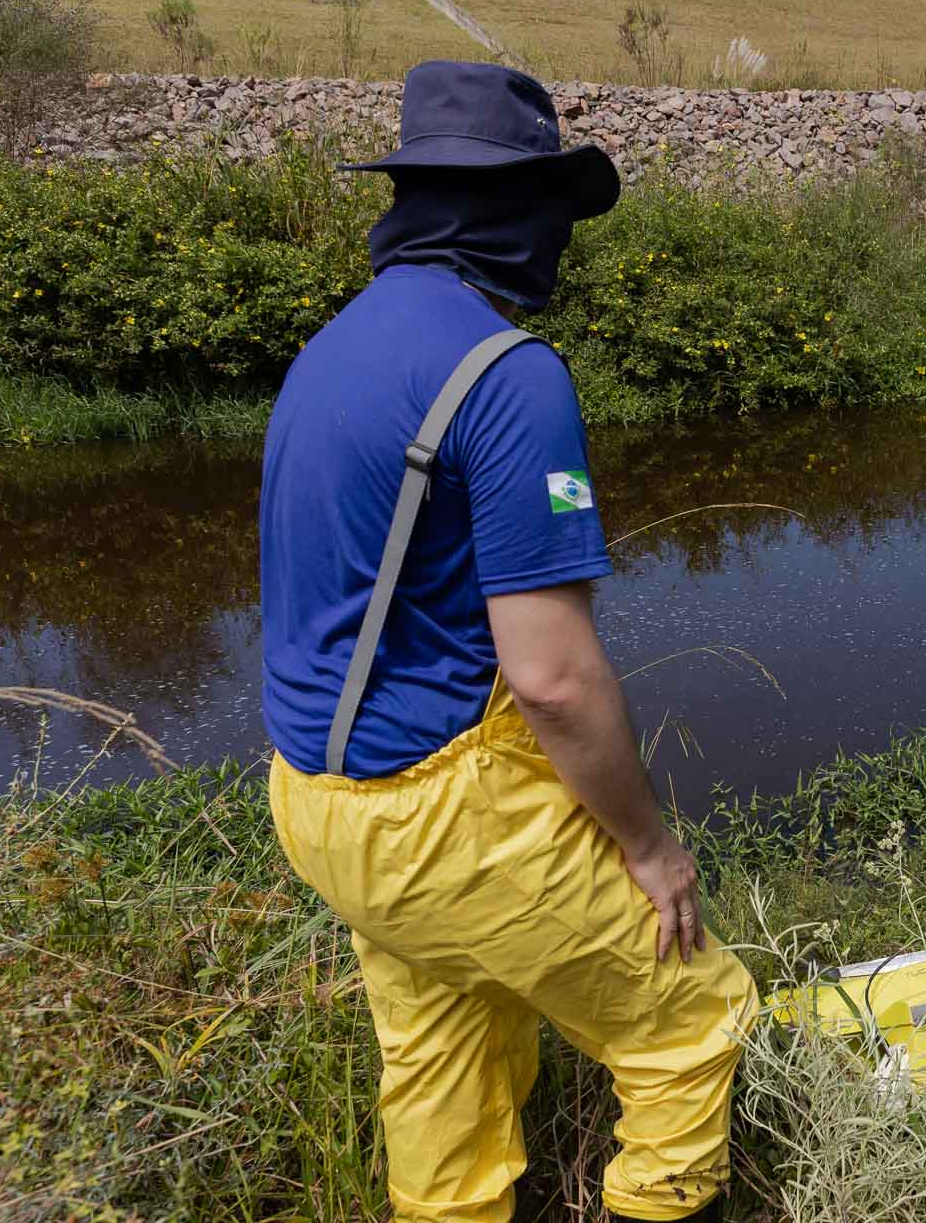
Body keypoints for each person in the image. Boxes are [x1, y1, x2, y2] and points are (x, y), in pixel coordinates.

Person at [259, 61, 754, 1222]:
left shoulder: (327, 353)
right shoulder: (504, 373)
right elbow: (553, 677)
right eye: (552, 213)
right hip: (444, 818)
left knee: (442, 1063)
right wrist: (650, 846)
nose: (559, 243)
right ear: (511, 211)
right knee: (692, 1021)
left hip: (316, 804)